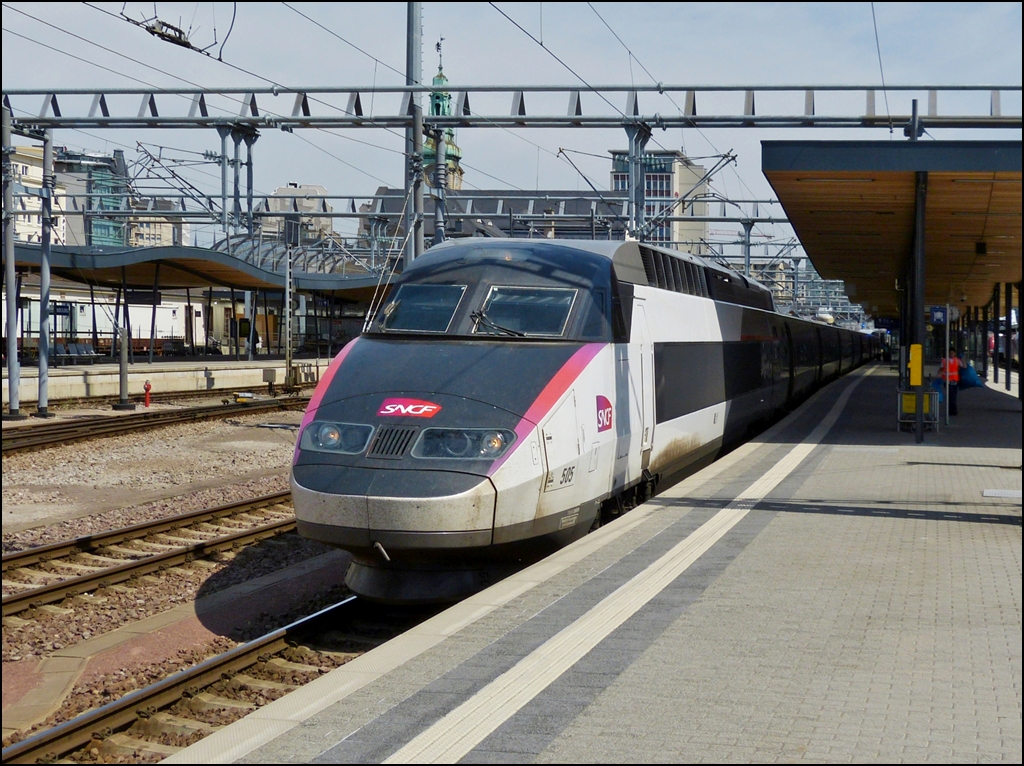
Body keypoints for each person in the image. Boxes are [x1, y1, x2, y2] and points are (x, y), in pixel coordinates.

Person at [938, 345, 964, 416]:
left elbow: (964, 366)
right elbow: (941, 369)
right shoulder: (944, 360)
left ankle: (952, 410)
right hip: (947, 381)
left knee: (953, 396)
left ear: (955, 353)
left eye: (953, 353)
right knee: (951, 396)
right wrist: (939, 376)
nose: (951, 354)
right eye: (950, 353)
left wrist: (962, 358)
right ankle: (952, 410)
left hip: (955, 381)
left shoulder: (957, 360)